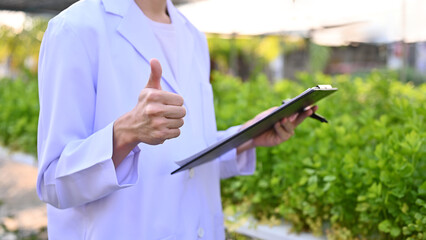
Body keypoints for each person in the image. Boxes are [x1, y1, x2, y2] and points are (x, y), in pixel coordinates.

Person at [36, 0, 317, 239]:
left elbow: (183, 158)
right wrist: (125, 133)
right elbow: (52, 181)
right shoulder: (75, 30)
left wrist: (246, 135)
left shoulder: (193, 35)